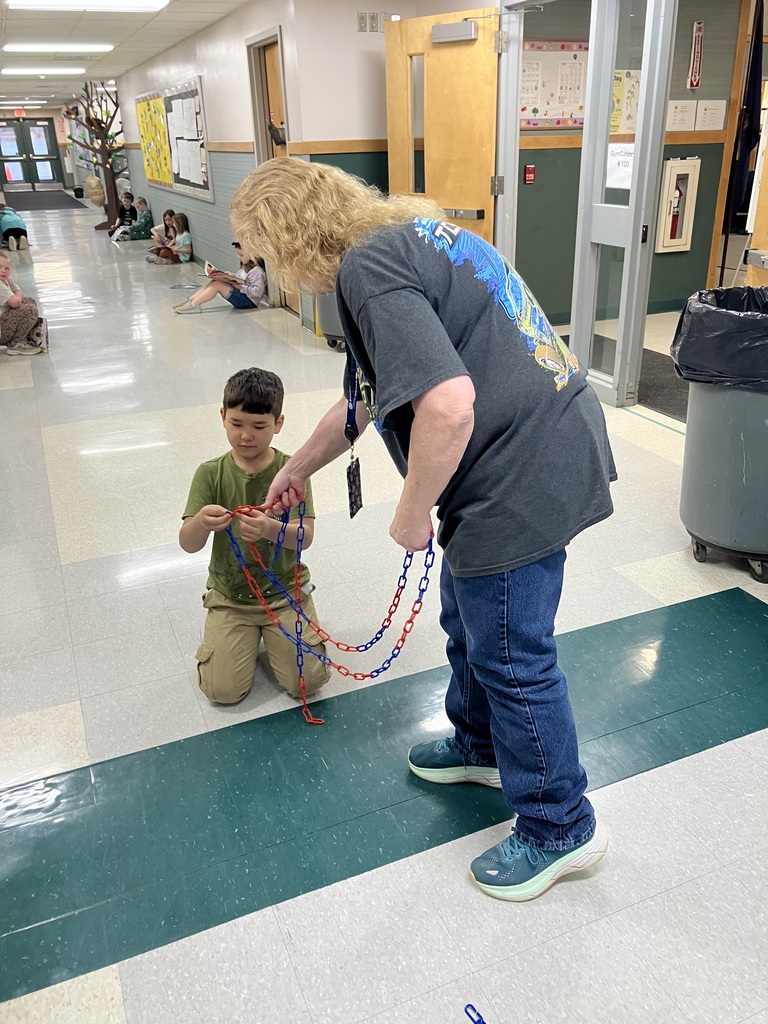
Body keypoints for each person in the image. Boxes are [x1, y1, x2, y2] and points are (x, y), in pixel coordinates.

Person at [231, 158, 616, 902]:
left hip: (523, 469)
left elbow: (447, 407)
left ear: (290, 239)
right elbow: (368, 400)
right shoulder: (408, 237)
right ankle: (479, 743)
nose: (267, 271)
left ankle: (561, 825)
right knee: (470, 613)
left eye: (262, 252)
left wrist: (411, 513)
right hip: (545, 440)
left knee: (511, 649)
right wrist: (298, 469)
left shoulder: (368, 272)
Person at [179, 366, 331, 705]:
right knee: (222, 692)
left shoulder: (293, 472)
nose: (246, 436)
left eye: (259, 426)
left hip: (284, 593)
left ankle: (284, 629)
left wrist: (271, 529)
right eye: (236, 424)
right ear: (222, 417)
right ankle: (246, 634)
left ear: (278, 423)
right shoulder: (210, 474)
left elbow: (305, 537)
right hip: (232, 598)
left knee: (308, 682)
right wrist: (201, 522)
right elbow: (188, 544)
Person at [173, 243, 267, 314]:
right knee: (215, 281)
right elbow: (243, 279)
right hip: (243, 296)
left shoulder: (257, 271)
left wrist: (239, 287)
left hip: (248, 302)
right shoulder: (246, 266)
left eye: (241, 255)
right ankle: (191, 300)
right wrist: (230, 276)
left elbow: (258, 292)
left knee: (217, 285)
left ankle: (194, 304)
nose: (239, 258)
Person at [0, 253, 46, 355]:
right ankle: (15, 344)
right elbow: (15, 302)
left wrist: (17, 297)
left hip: (4, 318)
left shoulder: (6, 280)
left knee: (29, 301)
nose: (3, 270)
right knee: (30, 310)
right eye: (0, 267)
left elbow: (18, 291)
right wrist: (17, 297)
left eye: (6, 268)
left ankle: (24, 334)